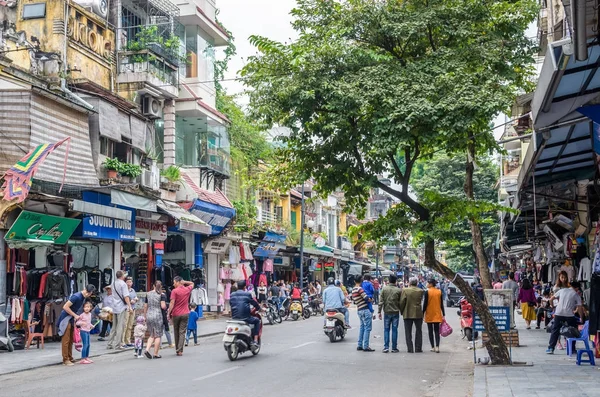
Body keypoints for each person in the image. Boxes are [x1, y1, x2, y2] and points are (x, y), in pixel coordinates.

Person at [57, 284, 96, 366]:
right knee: (66, 339)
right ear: (85, 289)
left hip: (71, 319)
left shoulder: (82, 298)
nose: (87, 294)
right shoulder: (77, 296)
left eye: (89, 293)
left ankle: (70, 357)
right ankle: (65, 359)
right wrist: (75, 315)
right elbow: (65, 307)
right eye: (87, 292)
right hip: (66, 318)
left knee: (71, 339)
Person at [546, 281, 585, 354]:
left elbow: (551, 299)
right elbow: (579, 307)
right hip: (569, 315)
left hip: (558, 313)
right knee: (572, 330)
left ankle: (551, 348)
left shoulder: (562, 290)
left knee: (555, 330)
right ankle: (572, 349)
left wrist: (553, 307)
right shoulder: (576, 294)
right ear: (576, 288)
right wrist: (581, 317)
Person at [167, 276, 194, 356]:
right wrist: (184, 281)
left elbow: (172, 303)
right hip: (185, 313)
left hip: (176, 314)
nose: (173, 284)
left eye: (174, 282)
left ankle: (177, 349)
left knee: (176, 331)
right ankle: (180, 350)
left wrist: (169, 312)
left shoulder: (174, 291)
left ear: (178, 282)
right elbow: (192, 283)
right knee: (182, 332)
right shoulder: (187, 289)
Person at [230, 280, 261, 344]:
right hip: (245, 317)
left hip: (234, 317)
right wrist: (259, 308)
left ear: (237, 287)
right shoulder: (247, 294)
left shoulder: (232, 294)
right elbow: (254, 303)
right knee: (257, 321)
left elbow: (231, 303)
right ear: (244, 287)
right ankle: (255, 340)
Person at [107, 271, 132, 350]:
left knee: (114, 327)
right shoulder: (123, 284)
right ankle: (118, 345)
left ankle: (109, 344)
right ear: (122, 276)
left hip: (114, 306)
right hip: (121, 307)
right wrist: (129, 306)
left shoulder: (113, 283)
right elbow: (126, 296)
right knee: (120, 326)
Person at [378, 274, 402, 353]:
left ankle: (386, 347)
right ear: (395, 281)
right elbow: (401, 302)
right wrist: (401, 311)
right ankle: (394, 348)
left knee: (386, 329)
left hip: (387, 312)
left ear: (389, 281)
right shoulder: (398, 290)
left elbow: (381, 302)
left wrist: (379, 312)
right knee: (395, 330)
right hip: (395, 312)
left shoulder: (384, 289)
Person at [400, 277, 424, 353]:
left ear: (409, 283)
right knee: (419, 331)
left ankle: (410, 348)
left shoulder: (405, 290)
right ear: (417, 283)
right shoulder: (420, 291)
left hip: (407, 312)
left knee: (408, 331)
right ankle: (418, 348)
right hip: (418, 312)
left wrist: (401, 311)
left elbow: (402, 302)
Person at [144, 281, 166, 359]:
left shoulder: (148, 294)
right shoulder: (161, 295)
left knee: (152, 334)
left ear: (153, 285)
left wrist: (145, 316)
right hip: (157, 315)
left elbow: (145, 306)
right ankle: (156, 353)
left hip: (149, 314)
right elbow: (163, 306)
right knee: (158, 335)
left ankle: (147, 349)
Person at [352, 276, 374, 352]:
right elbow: (366, 298)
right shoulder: (360, 289)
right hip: (365, 310)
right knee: (367, 328)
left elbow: (354, 301)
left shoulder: (353, 290)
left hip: (359, 310)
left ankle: (359, 345)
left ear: (355, 281)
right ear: (361, 281)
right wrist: (371, 300)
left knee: (362, 327)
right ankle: (366, 346)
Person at [423, 279, 445, 353]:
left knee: (430, 331)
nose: (427, 284)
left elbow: (425, 304)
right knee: (436, 331)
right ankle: (437, 347)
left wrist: (422, 313)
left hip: (429, 314)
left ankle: (432, 347)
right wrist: (443, 314)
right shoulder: (439, 292)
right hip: (437, 313)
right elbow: (441, 304)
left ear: (431, 284)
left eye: (428, 283)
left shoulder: (427, 292)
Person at [122, 277, 138, 347]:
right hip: (126, 309)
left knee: (130, 326)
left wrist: (135, 299)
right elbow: (123, 299)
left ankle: (127, 340)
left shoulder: (133, 290)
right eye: (127, 282)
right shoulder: (124, 290)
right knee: (124, 325)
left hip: (133, 308)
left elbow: (135, 297)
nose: (129, 283)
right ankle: (122, 341)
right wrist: (130, 301)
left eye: (130, 282)